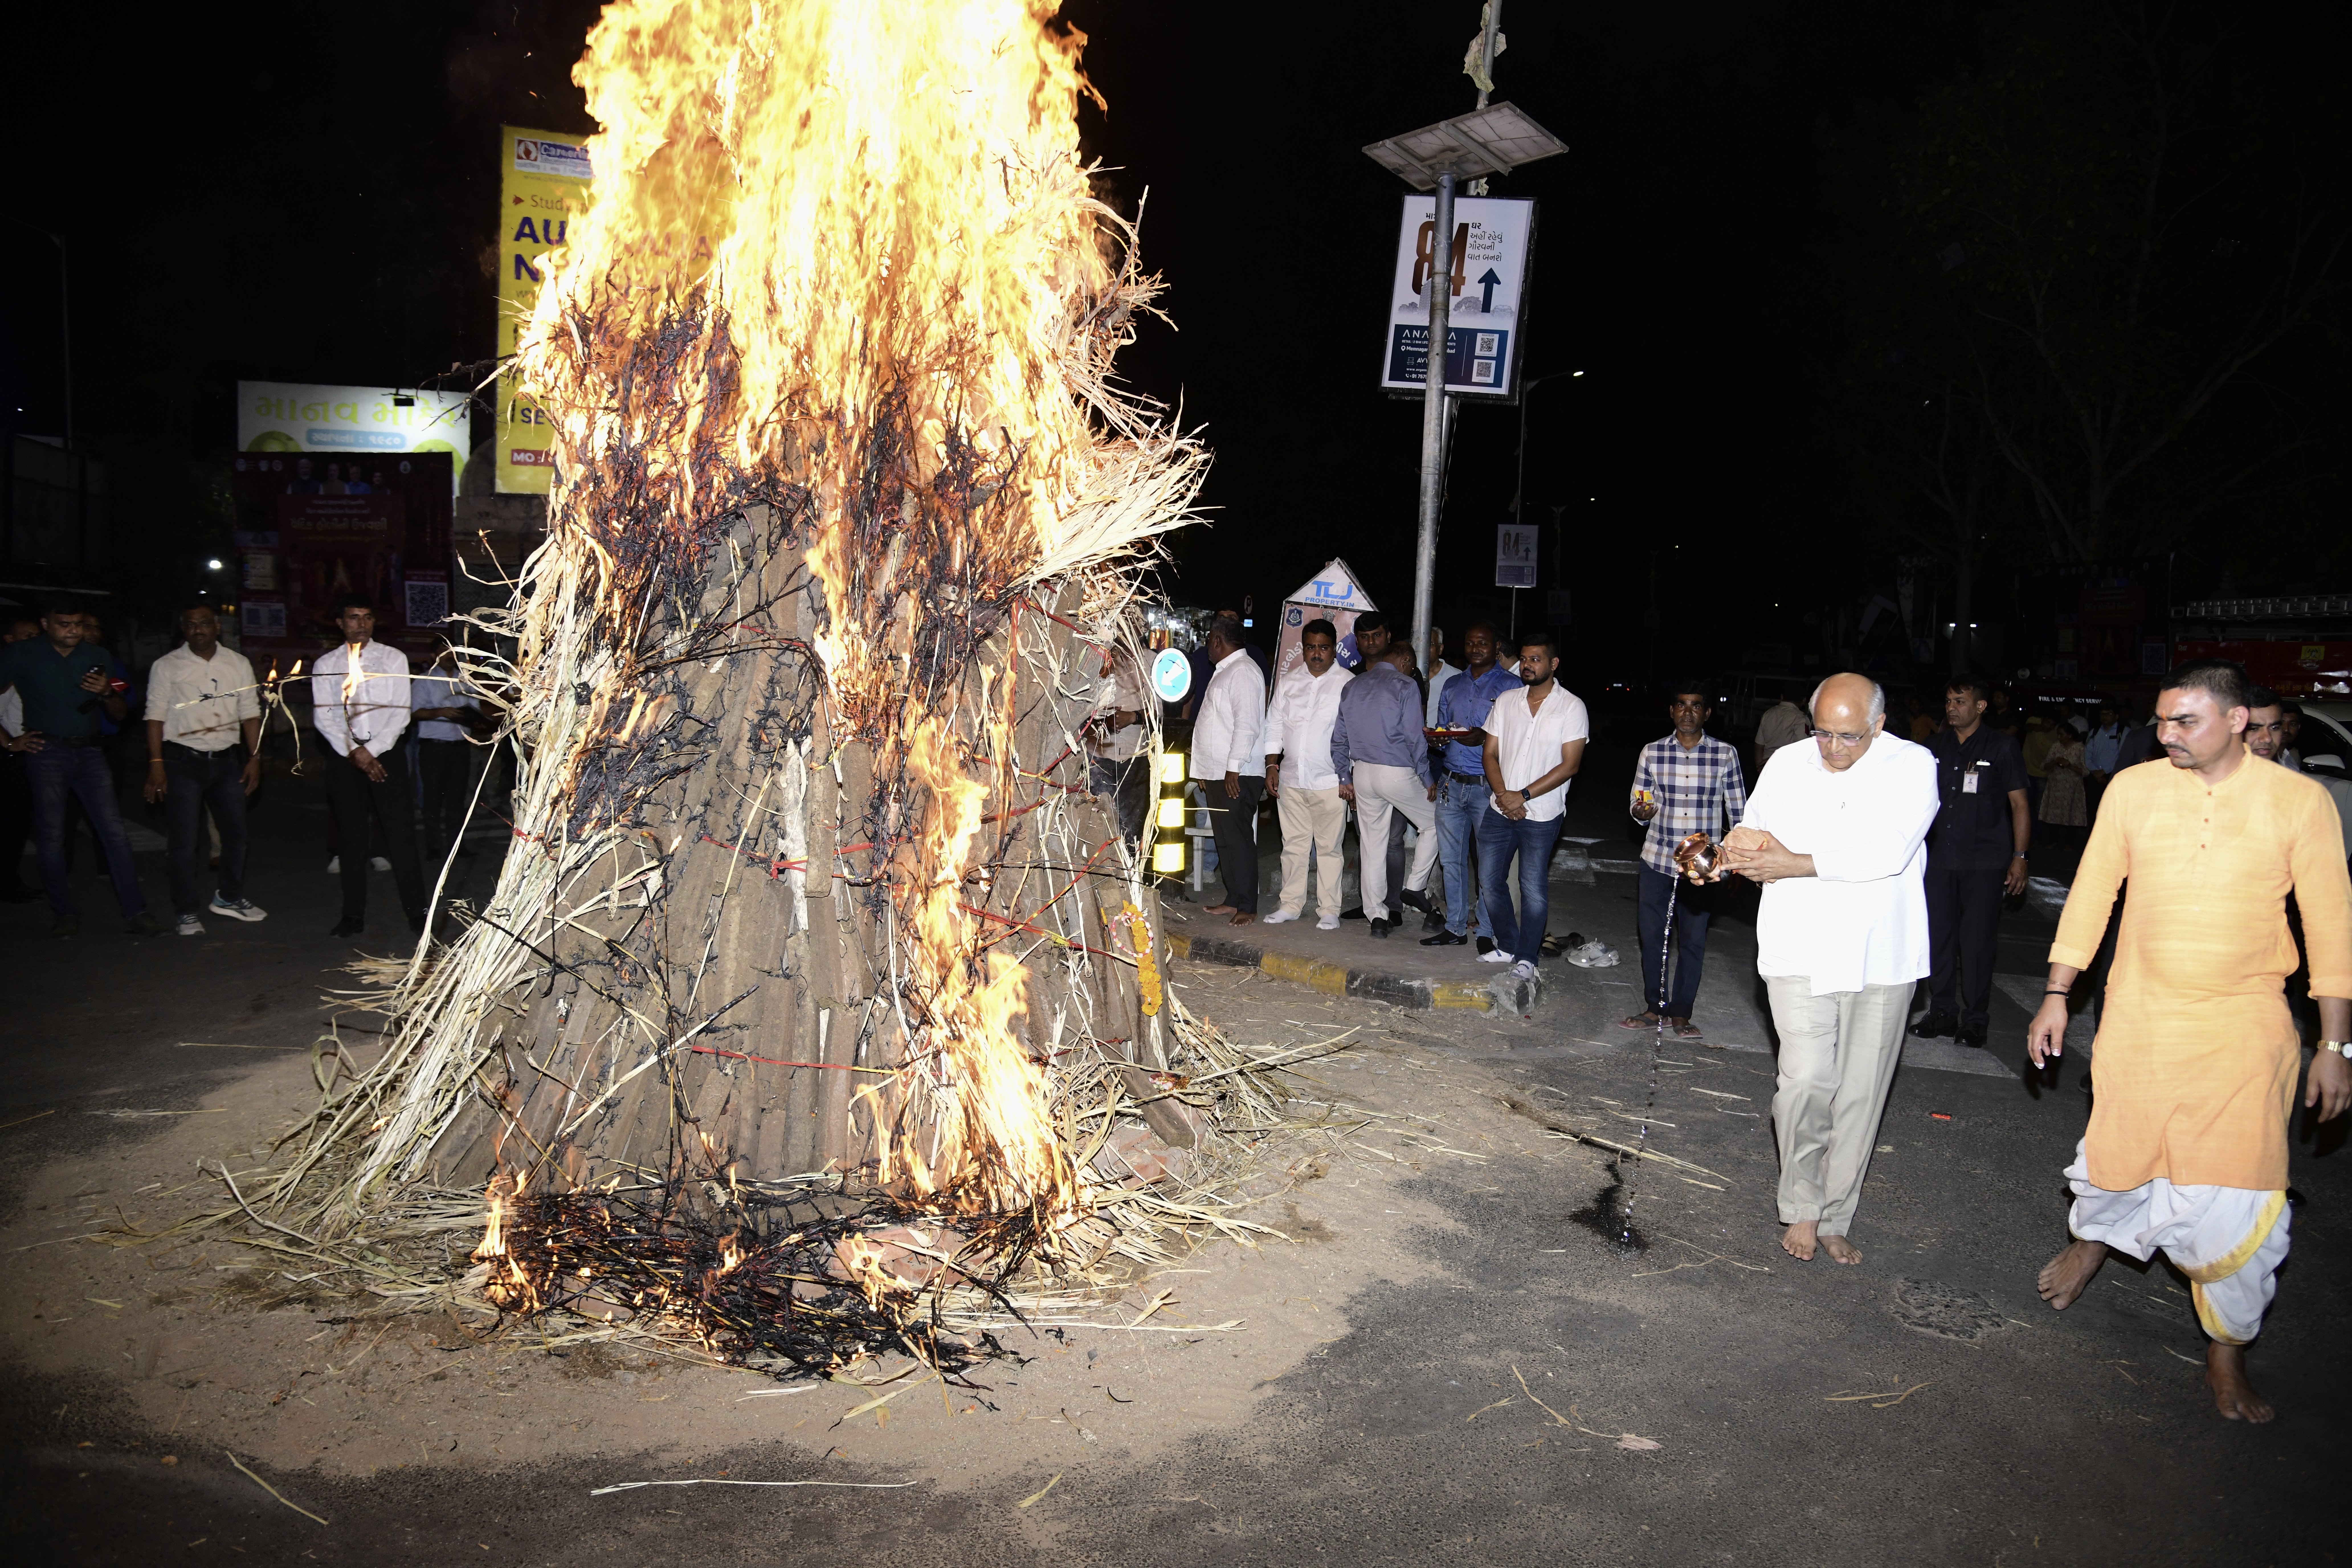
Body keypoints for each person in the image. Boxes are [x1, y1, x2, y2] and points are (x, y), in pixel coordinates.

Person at [2028, 658, 2352, 1424]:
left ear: (2238, 720)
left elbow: (2333, 927)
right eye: (2162, 721)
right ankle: (2094, 1245)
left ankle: (2225, 1354)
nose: (2165, 734)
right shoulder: (2136, 790)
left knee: (2243, 1194)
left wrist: (2336, 1047)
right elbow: (2094, 892)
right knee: (2121, 1160)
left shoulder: (2300, 803)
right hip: (2140, 1018)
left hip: (2247, 1026)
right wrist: (2055, 995)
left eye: (2186, 722)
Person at [1711, 673, 1937, 1264]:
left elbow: (1889, 852)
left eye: (1849, 737)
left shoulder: (1913, 765)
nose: (1834, 749)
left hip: (1880, 954)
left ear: (1879, 726)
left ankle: (1835, 1215)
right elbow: (1754, 830)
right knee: (1806, 1081)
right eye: (1823, 734)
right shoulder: (1788, 762)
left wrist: (1794, 862)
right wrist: (1729, 853)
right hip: (1798, 944)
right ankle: (1802, 1204)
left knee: (1861, 1094)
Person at [0, 599, 159, 936]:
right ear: (46, 623)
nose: (74, 631)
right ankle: (65, 912)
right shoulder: (23, 653)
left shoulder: (97, 656)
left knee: (115, 833)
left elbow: (119, 712)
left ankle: (135, 911)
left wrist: (106, 693)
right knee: (53, 836)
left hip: (90, 751)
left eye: (78, 624)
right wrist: (8, 740)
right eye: (65, 624)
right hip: (47, 751)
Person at [1623, 682, 1746, 1041]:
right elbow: (1639, 804)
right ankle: (1654, 1007)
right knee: (1653, 938)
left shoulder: (1725, 754)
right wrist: (1641, 810)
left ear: (1707, 713)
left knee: (1693, 940)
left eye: (1696, 705)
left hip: (1702, 869)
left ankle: (1681, 1012)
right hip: (1657, 860)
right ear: (1672, 711)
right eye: (1681, 705)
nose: (1688, 711)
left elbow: (1738, 810)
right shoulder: (1653, 752)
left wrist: (1733, 859)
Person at [1915, 675, 2031, 1047]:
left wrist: (2021, 857)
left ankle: (1975, 1018)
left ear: (1980, 706)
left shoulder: (2002, 747)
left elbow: (2019, 805)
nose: (1952, 709)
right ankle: (1943, 1011)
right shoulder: (1933, 747)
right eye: (1949, 702)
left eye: (1960, 702)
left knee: (1977, 942)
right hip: (1940, 858)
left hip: (1985, 860)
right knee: (1938, 936)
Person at [142, 606, 266, 936]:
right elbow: (154, 716)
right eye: (191, 625)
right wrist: (156, 765)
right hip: (182, 760)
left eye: (205, 624)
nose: (198, 630)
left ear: (218, 628)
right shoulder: (167, 665)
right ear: (183, 629)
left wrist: (254, 757)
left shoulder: (237, 663)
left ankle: (229, 897)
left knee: (236, 835)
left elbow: (250, 713)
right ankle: (186, 911)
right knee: (184, 842)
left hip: (226, 759)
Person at [1475, 630, 1589, 979]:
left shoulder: (1571, 706)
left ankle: (1528, 958)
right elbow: (1490, 753)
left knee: (1533, 887)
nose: (1527, 665)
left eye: (1535, 659)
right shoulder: (1507, 700)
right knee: (1490, 880)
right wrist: (1505, 796)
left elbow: (1570, 765)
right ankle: (1508, 944)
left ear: (1553, 664)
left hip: (1542, 814)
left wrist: (1521, 795)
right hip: (1501, 809)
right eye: (1524, 659)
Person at [312, 598, 428, 938]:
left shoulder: (393, 658)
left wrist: (372, 751)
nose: (361, 624)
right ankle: (353, 915)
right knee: (351, 838)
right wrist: (355, 752)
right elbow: (325, 716)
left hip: (386, 753)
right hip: (345, 756)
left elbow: (400, 712)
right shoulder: (326, 664)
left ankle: (418, 915)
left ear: (374, 622)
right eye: (353, 618)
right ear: (341, 623)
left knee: (401, 836)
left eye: (367, 618)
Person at [1422, 622, 1521, 950]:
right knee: (1452, 860)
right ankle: (1455, 927)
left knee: (1489, 864)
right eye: (1470, 642)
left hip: (1489, 788)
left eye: (1483, 643)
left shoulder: (1512, 686)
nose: (1476, 648)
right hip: (1452, 782)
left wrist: (1486, 736)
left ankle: (1486, 931)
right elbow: (1443, 729)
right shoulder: (1452, 685)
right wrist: (1437, 739)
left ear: (1496, 649)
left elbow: (1520, 739)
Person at [1333, 643, 1437, 938]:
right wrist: (1426, 775)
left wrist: (1345, 775)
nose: (1412, 672)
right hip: (1396, 771)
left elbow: (1339, 738)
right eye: (1412, 667)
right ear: (1405, 660)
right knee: (1437, 822)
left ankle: (1377, 917)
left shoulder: (1353, 686)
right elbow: (1415, 738)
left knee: (1372, 844)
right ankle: (1415, 887)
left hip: (1362, 772)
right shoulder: (1405, 685)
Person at [1261, 619, 1352, 928]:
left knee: (1330, 848)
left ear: (1333, 648)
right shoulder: (1288, 682)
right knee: (1294, 846)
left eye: (1323, 647)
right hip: (1291, 778)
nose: (1317, 654)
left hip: (1330, 781)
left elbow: (1354, 733)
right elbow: (1274, 725)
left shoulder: (1348, 683)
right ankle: (1290, 904)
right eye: (1311, 647)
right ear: (1303, 648)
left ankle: (1329, 910)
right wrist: (1272, 765)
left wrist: (1349, 778)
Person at [1189, 612, 1265, 926]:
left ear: (1218, 641)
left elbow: (1247, 726)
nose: (1208, 646)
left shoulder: (1244, 672)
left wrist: (1232, 770)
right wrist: (1206, 771)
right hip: (1219, 773)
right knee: (1224, 839)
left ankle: (1248, 904)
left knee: (1238, 838)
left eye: (1209, 640)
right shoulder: (1228, 670)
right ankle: (1234, 898)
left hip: (1238, 773)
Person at [410, 643, 485, 865]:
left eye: (453, 653)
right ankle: (434, 846)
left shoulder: (466, 679)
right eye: (444, 653)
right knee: (433, 798)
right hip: (434, 747)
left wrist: (478, 721)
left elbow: (476, 708)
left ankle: (457, 845)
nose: (450, 657)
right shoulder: (425, 680)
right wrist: (440, 712)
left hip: (460, 746)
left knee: (456, 798)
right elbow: (414, 713)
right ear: (434, 656)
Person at [0, 613, 46, 902]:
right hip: (11, 758)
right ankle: (7, 883)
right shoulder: (10, 669)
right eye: (27, 636)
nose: (34, 641)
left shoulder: (31, 667)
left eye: (36, 635)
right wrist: (10, 743)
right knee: (11, 823)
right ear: (10, 640)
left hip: (29, 753)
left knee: (19, 822)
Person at [2037, 716, 2089, 846]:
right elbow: (2044, 766)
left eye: (2062, 735)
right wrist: (2055, 762)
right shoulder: (2056, 747)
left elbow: (2086, 772)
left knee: (2072, 815)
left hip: (2072, 788)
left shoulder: (2079, 748)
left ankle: (2069, 843)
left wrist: (2069, 766)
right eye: (2058, 735)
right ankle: (2054, 841)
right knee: (2052, 815)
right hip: (2055, 787)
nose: (2059, 738)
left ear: (2070, 735)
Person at [2083, 700, 2126, 814]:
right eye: (2103, 714)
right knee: (2093, 810)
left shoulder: (2123, 732)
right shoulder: (2094, 732)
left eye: (2109, 714)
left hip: (2113, 775)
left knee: (2112, 811)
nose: (2105, 717)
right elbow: (2087, 754)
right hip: (2095, 776)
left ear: (2117, 717)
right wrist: (2095, 772)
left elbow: (2123, 756)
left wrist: (2104, 771)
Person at [1755, 696, 1809, 772]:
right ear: (1804, 701)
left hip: (1766, 767)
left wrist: (1760, 769)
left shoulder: (1768, 714)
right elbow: (1802, 750)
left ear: (1782, 697)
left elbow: (1759, 746)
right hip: (1787, 769)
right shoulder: (1800, 719)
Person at [2278, 703, 2305, 772]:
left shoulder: (2291, 758)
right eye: (2281, 723)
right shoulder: (2261, 759)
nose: (2286, 729)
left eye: (2292, 724)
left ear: (2299, 728)